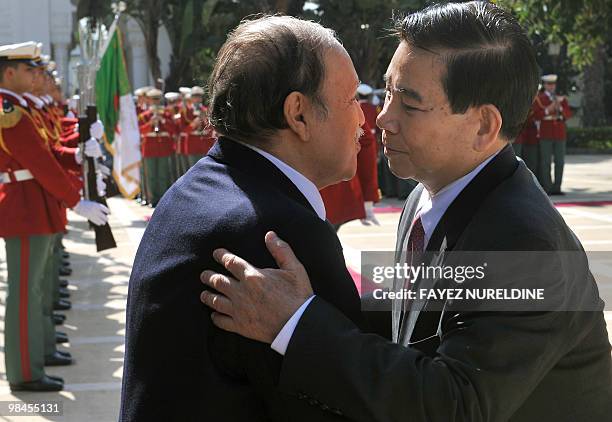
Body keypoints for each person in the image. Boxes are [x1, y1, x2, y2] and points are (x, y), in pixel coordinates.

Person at [199, 3, 612, 421]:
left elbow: (451, 405)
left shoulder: (525, 246)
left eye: (410, 105)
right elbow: (407, 321)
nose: (383, 118)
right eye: (389, 91)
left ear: (484, 126)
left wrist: (297, 324)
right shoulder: (427, 196)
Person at [120, 16, 366, 421]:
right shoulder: (278, 230)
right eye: (350, 100)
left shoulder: (200, 187)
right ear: (298, 114)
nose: (362, 120)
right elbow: (349, 400)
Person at [0, 41, 109, 391]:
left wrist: (78, 155)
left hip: (35, 205)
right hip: (24, 207)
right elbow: (40, 163)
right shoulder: (7, 109)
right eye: (29, 70)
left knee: (35, 291)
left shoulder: (19, 107)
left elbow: (48, 152)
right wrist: (76, 200)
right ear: (9, 73)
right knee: (25, 295)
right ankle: (24, 372)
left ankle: (38, 355)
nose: (36, 76)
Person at [533, 74, 572, 195]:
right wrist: (548, 109)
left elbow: (568, 114)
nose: (551, 86)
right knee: (546, 162)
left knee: (560, 161)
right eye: (549, 84)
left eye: (553, 84)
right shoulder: (540, 98)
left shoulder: (561, 99)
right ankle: (548, 187)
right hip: (546, 133)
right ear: (545, 85)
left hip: (560, 133)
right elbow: (535, 115)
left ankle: (557, 187)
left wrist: (559, 108)